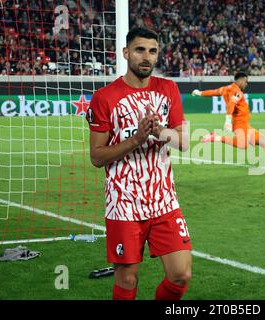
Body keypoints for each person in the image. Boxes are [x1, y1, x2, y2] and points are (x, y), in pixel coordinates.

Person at [86, 26, 191, 300]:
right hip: (124, 204)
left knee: (180, 275)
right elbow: (97, 156)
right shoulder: (104, 97)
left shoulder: (168, 89)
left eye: (153, 51)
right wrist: (136, 139)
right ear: (126, 53)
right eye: (140, 50)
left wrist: (159, 132)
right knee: (127, 278)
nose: (147, 57)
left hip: (164, 200)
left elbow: (183, 141)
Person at [192, 72, 265, 173]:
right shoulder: (237, 92)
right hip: (240, 123)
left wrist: (199, 93)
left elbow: (213, 92)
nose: (246, 84)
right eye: (246, 81)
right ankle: (216, 137)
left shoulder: (225, 89)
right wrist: (228, 120)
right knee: (243, 145)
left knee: (263, 141)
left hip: (244, 123)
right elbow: (232, 102)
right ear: (241, 79)